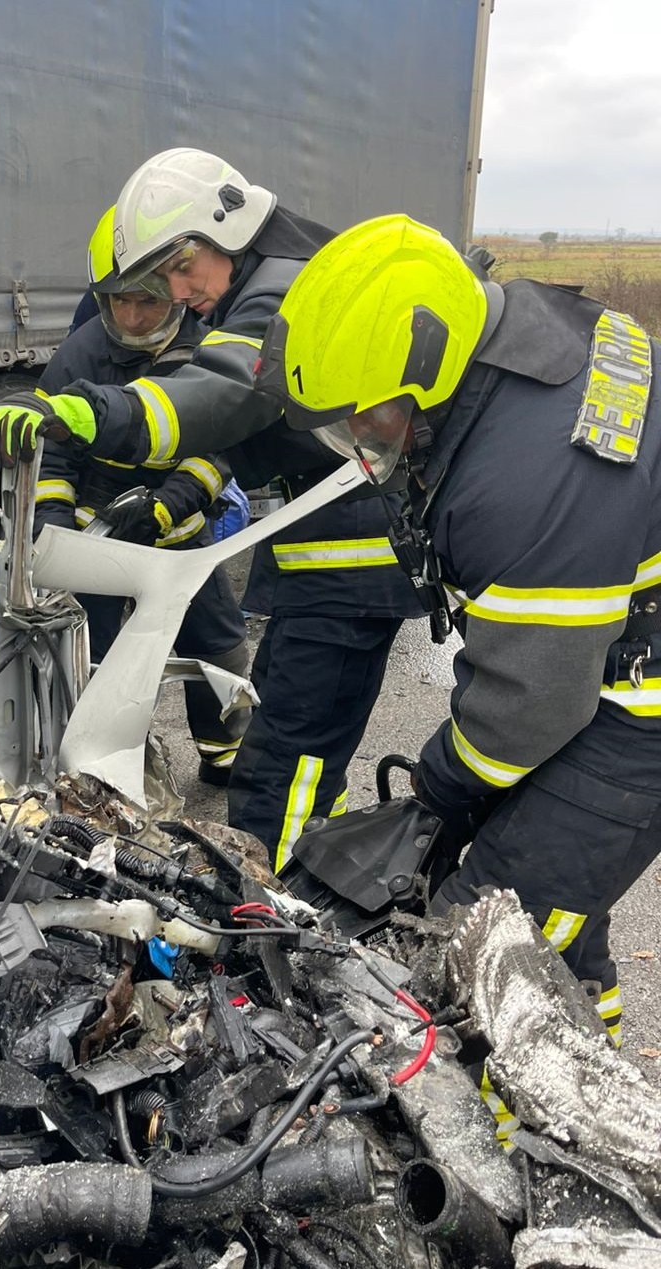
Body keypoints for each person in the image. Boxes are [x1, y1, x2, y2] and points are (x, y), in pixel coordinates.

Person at [252, 211, 661, 1046]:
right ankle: (597, 1065)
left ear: (429, 368)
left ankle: (529, 1154)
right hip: (603, 659)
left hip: (635, 709)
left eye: (367, 424)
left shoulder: (535, 475)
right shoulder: (514, 337)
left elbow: (529, 708)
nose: (359, 450)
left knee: (480, 948)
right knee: (557, 917)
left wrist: (437, 793)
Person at [0, 149, 420, 863]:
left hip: (331, 551)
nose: (175, 296)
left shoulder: (269, 290)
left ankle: (270, 886)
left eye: (179, 275)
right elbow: (252, 430)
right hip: (307, 550)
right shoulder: (224, 292)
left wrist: (145, 471)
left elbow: (221, 406)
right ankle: (303, 854)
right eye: (145, 289)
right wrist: (60, 531)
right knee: (284, 731)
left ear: (229, 225)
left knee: (270, 736)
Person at [35, 206, 251, 785]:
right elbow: (50, 459)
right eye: (117, 301)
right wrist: (57, 537)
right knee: (95, 658)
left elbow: (225, 448)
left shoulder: (211, 347)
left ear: (178, 296)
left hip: (181, 535)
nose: (130, 317)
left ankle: (225, 758)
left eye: (147, 301)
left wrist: (170, 504)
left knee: (217, 647)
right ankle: (97, 768)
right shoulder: (78, 355)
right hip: (96, 537)